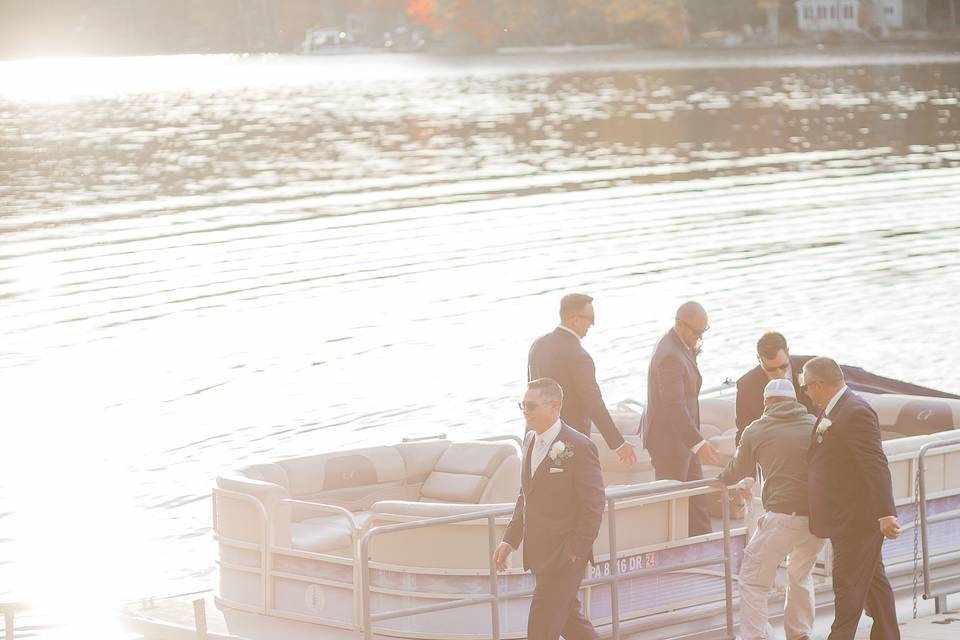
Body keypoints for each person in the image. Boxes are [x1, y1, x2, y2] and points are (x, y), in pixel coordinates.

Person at [494, 378, 605, 640]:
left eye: (531, 406)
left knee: (540, 631)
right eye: (522, 405)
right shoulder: (530, 439)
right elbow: (526, 495)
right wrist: (510, 539)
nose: (525, 411)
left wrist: (576, 551)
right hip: (540, 554)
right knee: (572, 624)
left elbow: (594, 504)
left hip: (565, 557)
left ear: (554, 407)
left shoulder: (579, 446)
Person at [802, 357, 901, 640]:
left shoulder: (855, 411)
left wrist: (885, 513)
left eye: (807, 386)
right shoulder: (834, 410)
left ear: (819, 385)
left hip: (857, 520)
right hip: (844, 515)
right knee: (874, 584)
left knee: (847, 587)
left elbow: (874, 463)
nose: (806, 392)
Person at [718, 378, 825, 640]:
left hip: (783, 518)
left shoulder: (756, 429)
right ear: (795, 401)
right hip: (818, 520)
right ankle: (799, 634)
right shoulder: (816, 425)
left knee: (753, 580)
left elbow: (737, 471)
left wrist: (719, 480)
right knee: (800, 576)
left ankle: (757, 637)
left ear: (766, 402)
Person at [528, 293, 637, 465]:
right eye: (590, 319)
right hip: (569, 441)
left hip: (538, 436)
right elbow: (593, 403)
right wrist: (618, 443)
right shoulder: (579, 356)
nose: (592, 325)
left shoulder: (538, 345)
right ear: (575, 320)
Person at [641, 301, 718, 536]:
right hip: (669, 443)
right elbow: (674, 405)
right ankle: (671, 559)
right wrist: (698, 442)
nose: (699, 338)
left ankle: (706, 551)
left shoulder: (681, 344)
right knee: (671, 506)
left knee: (697, 499)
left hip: (684, 441)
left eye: (703, 333)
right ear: (679, 325)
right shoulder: (670, 356)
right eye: (696, 332)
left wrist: (695, 442)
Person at [735, 332, 816, 446]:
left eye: (783, 366)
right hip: (772, 447)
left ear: (788, 351)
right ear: (759, 359)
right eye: (771, 370)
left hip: (813, 440)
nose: (779, 374)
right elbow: (743, 429)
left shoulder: (812, 367)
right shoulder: (746, 385)